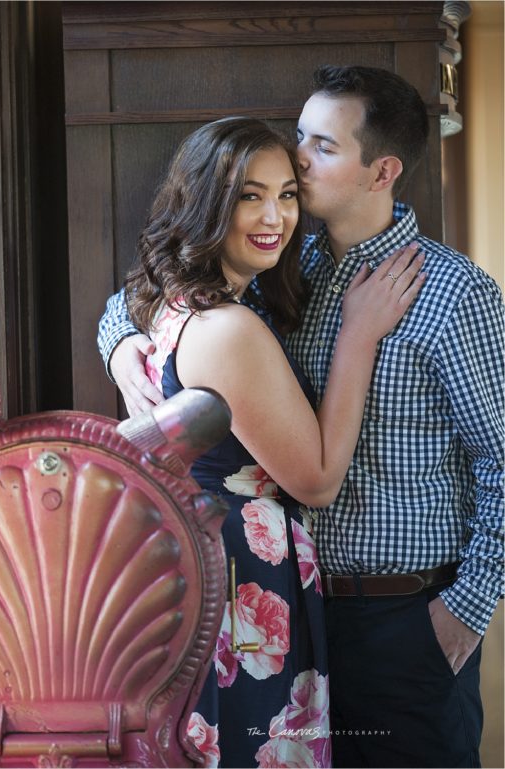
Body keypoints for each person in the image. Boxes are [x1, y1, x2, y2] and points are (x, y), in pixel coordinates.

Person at [100, 66, 504, 768]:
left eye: (319, 147)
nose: (298, 159)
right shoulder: (286, 270)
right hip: (290, 618)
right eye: (299, 140)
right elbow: (160, 300)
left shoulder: (453, 293)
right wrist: (120, 343)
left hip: (403, 621)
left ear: (380, 171)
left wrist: (465, 609)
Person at [121, 115, 422, 768]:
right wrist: (358, 337)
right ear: (207, 202)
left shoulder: (174, 303)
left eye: (287, 194)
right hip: (236, 584)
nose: (275, 216)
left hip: (203, 570)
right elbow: (315, 478)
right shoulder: (227, 328)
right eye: (249, 195)